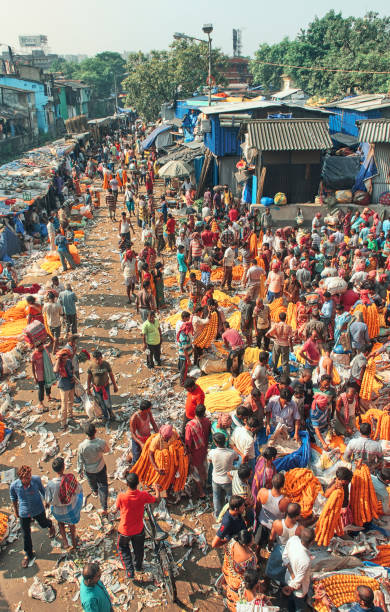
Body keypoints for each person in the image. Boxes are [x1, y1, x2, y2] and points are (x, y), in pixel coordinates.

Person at [116, 472, 160, 579]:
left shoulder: (121, 496)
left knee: (123, 548)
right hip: (138, 530)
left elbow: (117, 508)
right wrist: (156, 489)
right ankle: (138, 567)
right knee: (139, 550)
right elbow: (157, 499)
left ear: (127, 484)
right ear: (138, 483)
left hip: (124, 531)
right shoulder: (143, 495)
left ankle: (130, 571)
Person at [10, 465, 55, 567]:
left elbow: (43, 491)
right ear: (21, 478)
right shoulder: (14, 486)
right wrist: (16, 511)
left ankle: (50, 525)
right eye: (26, 478)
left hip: (37, 508)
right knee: (26, 534)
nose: (29, 479)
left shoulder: (36, 480)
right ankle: (28, 554)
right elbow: (13, 498)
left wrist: (46, 500)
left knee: (43, 524)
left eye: (29, 476)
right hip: (24, 512)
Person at [45, 456, 83, 551]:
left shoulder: (50, 484)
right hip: (70, 510)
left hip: (57, 511)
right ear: (64, 467)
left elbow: (47, 500)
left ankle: (65, 542)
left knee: (60, 523)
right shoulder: (69, 479)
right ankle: (74, 542)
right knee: (71, 525)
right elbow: (78, 490)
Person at [77, 423, 110, 516]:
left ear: (85, 433)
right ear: (95, 431)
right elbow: (107, 450)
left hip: (89, 470)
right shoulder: (100, 442)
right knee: (103, 486)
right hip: (100, 467)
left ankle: (95, 491)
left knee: (92, 482)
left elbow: (80, 460)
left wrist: (80, 470)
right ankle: (104, 507)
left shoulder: (82, 446)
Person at [221, 530, 257, 611]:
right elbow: (251, 574)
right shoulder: (249, 558)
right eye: (252, 540)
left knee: (230, 592)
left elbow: (226, 554)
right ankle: (232, 606)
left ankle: (228, 600)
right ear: (245, 544)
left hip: (228, 572)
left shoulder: (232, 542)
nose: (253, 540)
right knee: (237, 599)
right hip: (238, 582)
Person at [281, 528, 315, 612]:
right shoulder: (305, 560)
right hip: (298, 591)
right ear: (312, 542)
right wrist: (289, 588)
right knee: (299, 608)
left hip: (288, 579)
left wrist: (292, 573)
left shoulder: (293, 540)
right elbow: (297, 583)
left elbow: (284, 557)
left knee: (290, 604)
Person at [255, 473, 290, 551]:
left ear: (271, 482)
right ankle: (270, 552)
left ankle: (257, 554)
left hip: (262, 522)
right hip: (276, 528)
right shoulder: (285, 501)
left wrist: (257, 517)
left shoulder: (262, 492)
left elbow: (257, 507)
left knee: (258, 543)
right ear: (283, 485)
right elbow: (286, 517)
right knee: (272, 545)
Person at [208, 432, 238, 519]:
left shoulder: (212, 452)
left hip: (216, 479)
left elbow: (209, 460)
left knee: (216, 497)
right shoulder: (231, 453)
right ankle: (230, 514)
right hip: (228, 480)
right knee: (229, 496)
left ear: (215, 443)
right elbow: (236, 458)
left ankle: (217, 515)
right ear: (225, 441)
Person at [185, 404, 211, 498]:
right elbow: (208, 435)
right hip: (203, 450)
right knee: (203, 468)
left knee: (195, 472)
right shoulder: (207, 422)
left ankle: (201, 492)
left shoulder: (190, 425)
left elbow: (188, 442)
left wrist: (189, 456)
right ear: (204, 413)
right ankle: (205, 485)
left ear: (195, 412)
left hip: (194, 452)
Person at [87, 350, 118, 421]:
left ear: (102, 357)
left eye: (99, 359)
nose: (98, 361)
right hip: (96, 388)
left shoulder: (106, 364)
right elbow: (88, 378)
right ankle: (106, 416)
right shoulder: (91, 366)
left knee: (107, 402)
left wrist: (115, 385)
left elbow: (111, 375)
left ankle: (111, 413)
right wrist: (88, 389)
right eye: (96, 359)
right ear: (93, 359)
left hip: (105, 387)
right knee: (101, 403)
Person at [129, 399, 158, 466]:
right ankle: (132, 460)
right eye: (149, 408)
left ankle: (131, 454)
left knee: (149, 455)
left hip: (148, 436)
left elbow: (153, 423)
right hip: (138, 438)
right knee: (137, 457)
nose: (150, 410)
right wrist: (141, 443)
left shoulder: (148, 413)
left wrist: (158, 433)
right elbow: (133, 433)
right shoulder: (134, 418)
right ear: (145, 409)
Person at [31, 342, 56, 412]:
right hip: (40, 374)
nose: (42, 348)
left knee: (48, 385)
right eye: (40, 347)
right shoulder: (34, 355)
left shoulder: (45, 350)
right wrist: (35, 377)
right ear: (37, 348)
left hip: (47, 372)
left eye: (42, 346)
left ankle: (49, 396)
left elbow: (50, 344)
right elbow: (33, 367)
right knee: (41, 389)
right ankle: (40, 402)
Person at [55, 347, 75, 430]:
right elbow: (55, 370)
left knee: (71, 401)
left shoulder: (69, 362)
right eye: (63, 358)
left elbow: (72, 368)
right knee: (64, 405)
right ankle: (63, 423)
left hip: (71, 384)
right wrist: (58, 360)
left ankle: (70, 415)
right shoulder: (59, 364)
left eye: (66, 357)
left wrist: (73, 375)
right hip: (63, 386)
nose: (65, 359)